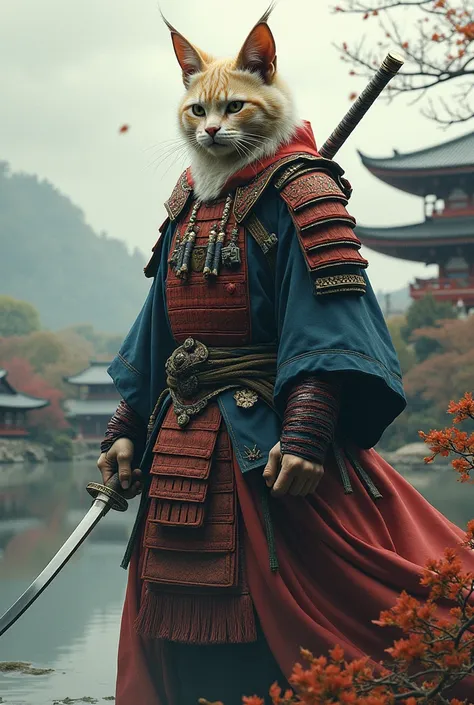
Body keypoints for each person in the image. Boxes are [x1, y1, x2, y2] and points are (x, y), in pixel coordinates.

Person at [97, 9, 474, 704]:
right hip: (181, 449)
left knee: (296, 621)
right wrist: (124, 422)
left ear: (267, 81)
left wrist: (305, 430)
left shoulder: (304, 190)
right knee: (175, 629)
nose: (211, 124)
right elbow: (160, 326)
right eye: (197, 110)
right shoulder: (187, 196)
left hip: (269, 447)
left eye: (230, 106)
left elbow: (327, 318)